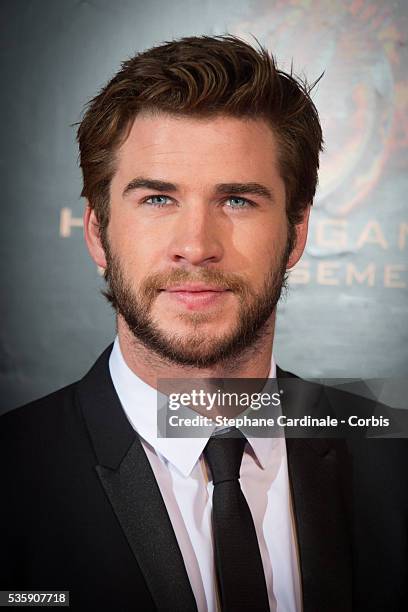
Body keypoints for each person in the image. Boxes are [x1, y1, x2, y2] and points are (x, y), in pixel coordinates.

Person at [1, 35, 407, 612]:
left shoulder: (392, 457)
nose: (195, 247)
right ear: (97, 232)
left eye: (238, 200)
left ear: (296, 232)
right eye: (158, 199)